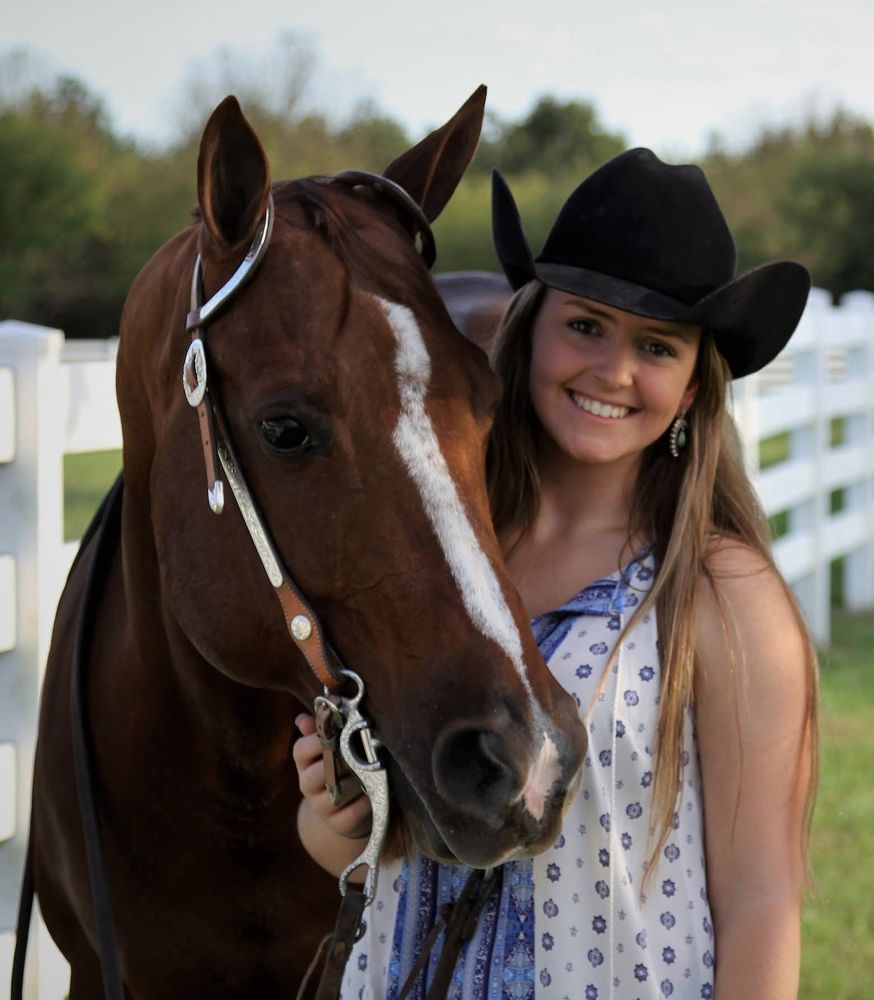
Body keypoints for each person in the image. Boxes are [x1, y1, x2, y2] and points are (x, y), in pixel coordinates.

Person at [293, 148, 819, 999]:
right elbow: (357, 853)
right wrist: (332, 813)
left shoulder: (720, 595)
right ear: (530, 325)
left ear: (693, 389)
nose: (613, 371)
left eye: (657, 346)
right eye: (586, 326)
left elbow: (763, 900)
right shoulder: (444, 557)